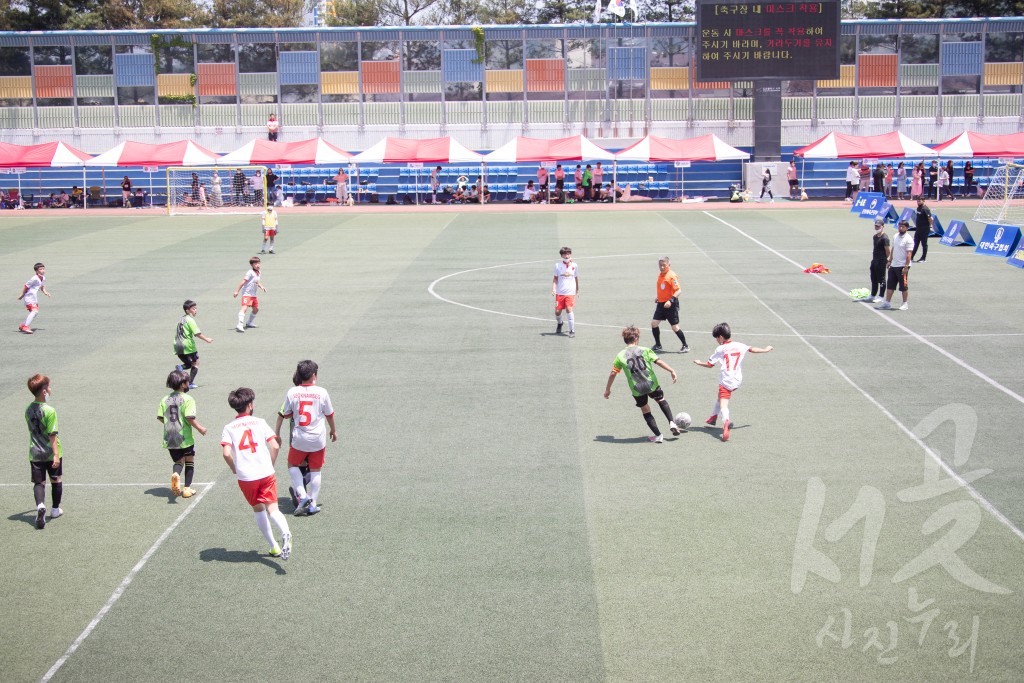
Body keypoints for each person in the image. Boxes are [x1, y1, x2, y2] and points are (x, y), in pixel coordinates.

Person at [220, 387, 291, 560]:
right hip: (265, 472)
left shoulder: (229, 427)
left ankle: (274, 546)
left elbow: (226, 453)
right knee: (272, 507)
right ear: (250, 405)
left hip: (246, 476)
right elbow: (274, 445)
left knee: (258, 509)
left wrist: (233, 468)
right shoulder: (259, 422)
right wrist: (270, 464)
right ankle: (286, 533)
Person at [692, 322, 773, 442]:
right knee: (720, 396)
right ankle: (713, 417)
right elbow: (753, 349)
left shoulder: (721, 348)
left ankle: (725, 424)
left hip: (726, 379)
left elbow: (709, 365)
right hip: (738, 379)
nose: (716, 340)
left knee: (724, 403)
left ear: (720, 337)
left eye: (716, 338)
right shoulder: (740, 345)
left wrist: (699, 362)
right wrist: (765, 350)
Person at [274, 360, 336, 516]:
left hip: (299, 438)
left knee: (292, 464)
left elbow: (286, 414)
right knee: (316, 470)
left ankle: (302, 495)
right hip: (318, 438)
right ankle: (313, 504)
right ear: (314, 375)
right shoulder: (322, 392)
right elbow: (329, 414)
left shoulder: (292, 392)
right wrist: (333, 431)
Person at [603, 325, 682, 444]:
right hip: (651, 383)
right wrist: (671, 370)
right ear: (636, 339)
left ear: (625, 339)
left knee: (645, 409)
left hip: (637, 388)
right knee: (661, 400)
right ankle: (672, 422)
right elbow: (658, 361)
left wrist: (607, 389)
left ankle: (658, 435)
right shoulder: (645, 350)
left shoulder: (620, 355)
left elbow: (613, 373)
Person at [158, 370, 208, 499]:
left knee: (179, 461)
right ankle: (186, 489)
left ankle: (176, 473)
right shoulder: (188, 399)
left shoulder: (164, 399)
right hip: (184, 437)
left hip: (170, 437)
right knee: (189, 459)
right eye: (187, 382)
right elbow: (189, 417)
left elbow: (160, 417)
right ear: (183, 384)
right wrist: (200, 428)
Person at [25, 374, 63, 529]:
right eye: (49, 386)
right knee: (56, 479)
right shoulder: (49, 410)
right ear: (44, 391)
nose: (50, 389)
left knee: (39, 482)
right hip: (49, 452)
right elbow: (52, 435)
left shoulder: (28, 409)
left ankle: (40, 505)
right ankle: (55, 509)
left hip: (34, 452)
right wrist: (55, 455)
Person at [651, 256, 689, 353]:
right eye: (660, 265)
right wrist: (659, 297)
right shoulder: (660, 275)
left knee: (675, 327)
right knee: (654, 324)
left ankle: (685, 345)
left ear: (669, 265)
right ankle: (658, 345)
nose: (662, 267)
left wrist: (670, 300)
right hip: (661, 304)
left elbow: (679, 290)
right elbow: (663, 289)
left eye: (664, 265)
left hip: (670, 305)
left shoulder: (672, 276)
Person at [173, 299, 213, 388]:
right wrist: (207, 339)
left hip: (177, 344)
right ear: (187, 310)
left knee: (189, 364)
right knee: (196, 363)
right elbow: (197, 333)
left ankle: (181, 367)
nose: (196, 310)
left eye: (196, 308)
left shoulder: (181, 319)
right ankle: (190, 383)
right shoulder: (190, 320)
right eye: (193, 309)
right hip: (187, 345)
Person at [876, 219, 913, 311]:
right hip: (894, 265)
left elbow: (909, 254)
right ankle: (887, 302)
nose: (900, 228)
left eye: (902, 227)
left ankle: (905, 303)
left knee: (903, 285)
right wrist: (889, 261)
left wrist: (906, 266)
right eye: (899, 226)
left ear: (906, 228)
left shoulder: (908, 239)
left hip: (902, 266)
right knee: (890, 285)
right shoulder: (896, 236)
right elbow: (893, 249)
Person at [233, 256, 267, 333]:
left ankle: (249, 323)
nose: (257, 265)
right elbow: (243, 282)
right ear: (252, 265)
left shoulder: (259, 272)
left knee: (256, 309)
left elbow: (256, 282)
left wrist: (261, 286)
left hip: (253, 295)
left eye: (258, 263)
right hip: (247, 294)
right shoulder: (250, 272)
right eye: (255, 264)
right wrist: (236, 291)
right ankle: (239, 324)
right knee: (244, 308)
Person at [552, 246, 579, 338]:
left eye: (568, 254)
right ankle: (560, 323)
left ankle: (572, 331)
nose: (567, 256)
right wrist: (553, 289)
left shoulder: (574, 265)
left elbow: (576, 278)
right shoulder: (557, 266)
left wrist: (577, 289)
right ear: (561, 255)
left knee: (569, 309)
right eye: (565, 254)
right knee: (557, 312)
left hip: (570, 292)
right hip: (560, 293)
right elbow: (555, 279)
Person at [17, 262, 50, 335]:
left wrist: (46, 292)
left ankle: (22, 325)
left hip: (34, 297)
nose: (43, 270)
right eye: (40, 269)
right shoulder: (34, 278)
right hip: (29, 297)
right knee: (35, 311)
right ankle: (25, 326)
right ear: (36, 271)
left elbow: (42, 286)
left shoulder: (43, 277)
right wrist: (22, 295)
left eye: (43, 269)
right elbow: (26, 286)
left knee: (35, 313)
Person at [868, 217, 891, 303]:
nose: (877, 228)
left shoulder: (885, 238)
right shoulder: (875, 237)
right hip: (874, 260)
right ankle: (873, 295)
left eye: (878, 226)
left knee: (881, 279)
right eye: (876, 226)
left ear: (882, 226)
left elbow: (888, 251)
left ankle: (881, 296)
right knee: (873, 278)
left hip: (881, 260)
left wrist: (886, 260)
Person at [911, 197, 933, 263]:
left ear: (923, 201)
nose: (918, 202)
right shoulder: (918, 208)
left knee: (924, 244)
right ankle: (911, 257)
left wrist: (930, 226)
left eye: (920, 201)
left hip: (924, 229)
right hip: (918, 229)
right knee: (915, 243)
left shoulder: (925, 209)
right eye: (917, 201)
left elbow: (930, 218)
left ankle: (923, 258)